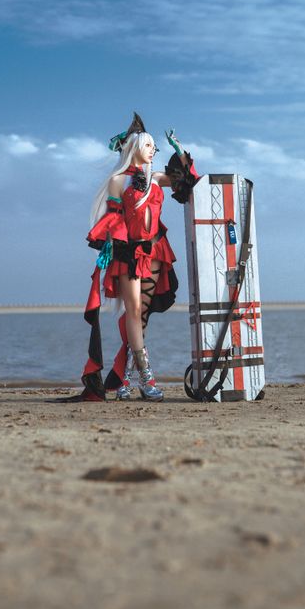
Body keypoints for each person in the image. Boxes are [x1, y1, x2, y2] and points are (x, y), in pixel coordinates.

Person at [66, 113, 199, 403]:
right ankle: (147, 378)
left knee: (141, 316)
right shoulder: (117, 181)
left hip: (154, 250)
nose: (153, 149)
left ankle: (124, 378)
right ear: (134, 147)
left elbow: (187, 183)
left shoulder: (157, 178)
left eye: (155, 146)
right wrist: (112, 247)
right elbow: (113, 220)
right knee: (135, 312)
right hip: (129, 253)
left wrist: (180, 151)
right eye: (148, 145)